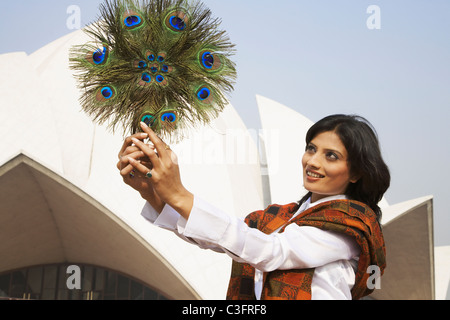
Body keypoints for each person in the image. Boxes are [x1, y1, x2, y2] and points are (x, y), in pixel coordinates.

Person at [117, 114, 390, 300]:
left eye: (331, 156)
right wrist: (153, 193)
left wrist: (179, 194)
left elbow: (269, 252)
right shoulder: (278, 217)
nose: (313, 161)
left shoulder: (349, 223)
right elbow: (219, 239)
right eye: (311, 148)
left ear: (355, 173)